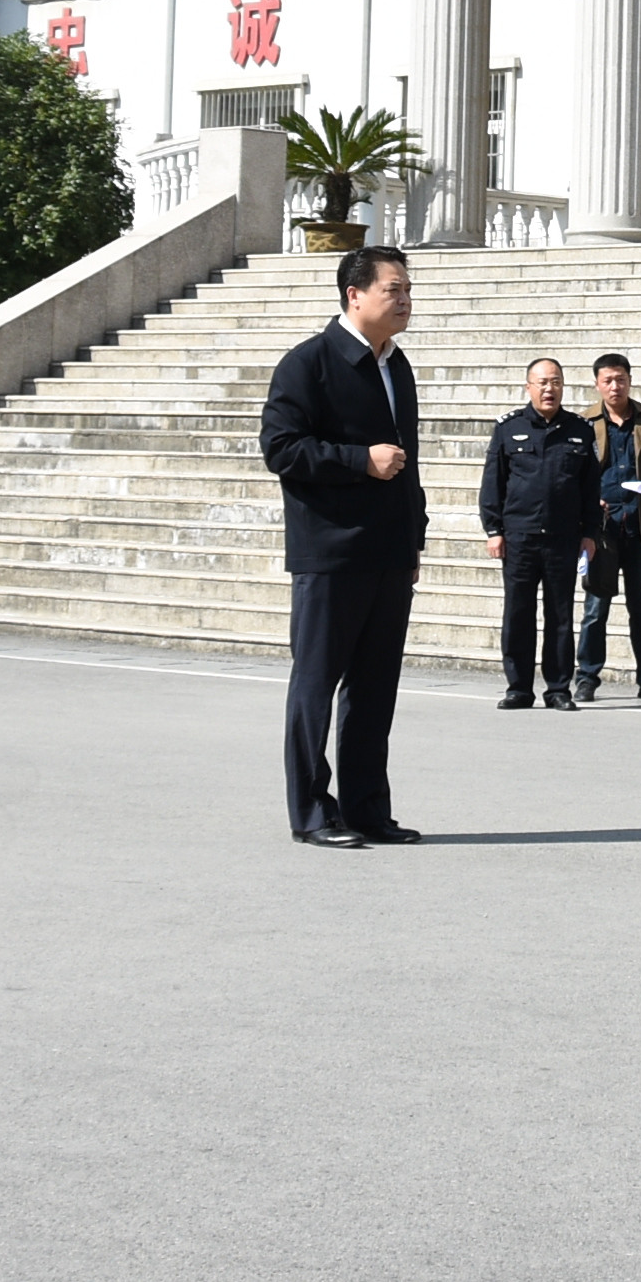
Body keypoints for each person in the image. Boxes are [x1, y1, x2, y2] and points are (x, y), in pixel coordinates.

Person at [258, 244, 426, 850]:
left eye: (408, 291)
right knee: (316, 684)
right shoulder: (309, 363)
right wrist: (361, 461)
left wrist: (413, 539)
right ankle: (310, 812)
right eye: (393, 290)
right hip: (330, 553)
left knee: (375, 688)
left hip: (387, 553)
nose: (405, 300)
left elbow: (408, 462)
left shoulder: (396, 366)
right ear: (354, 294)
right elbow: (281, 450)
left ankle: (366, 808)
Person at [479, 356, 600, 710]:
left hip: (563, 538)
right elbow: (493, 483)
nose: (550, 389)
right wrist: (493, 529)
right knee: (518, 612)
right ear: (529, 386)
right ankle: (518, 687)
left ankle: (558, 688)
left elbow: (590, 488)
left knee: (560, 614)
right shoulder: (508, 428)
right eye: (543, 382)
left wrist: (590, 532)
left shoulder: (580, 429)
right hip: (519, 536)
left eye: (556, 382)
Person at [570, 353, 641, 701]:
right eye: (608, 381)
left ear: (630, 380)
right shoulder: (584, 422)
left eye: (621, 379)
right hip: (602, 528)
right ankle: (586, 677)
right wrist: (589, 502)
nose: (615, 386)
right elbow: (572, 475)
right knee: (595, 608)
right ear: (597, 384)